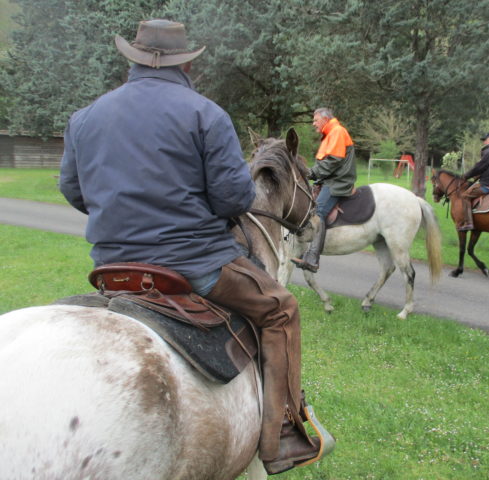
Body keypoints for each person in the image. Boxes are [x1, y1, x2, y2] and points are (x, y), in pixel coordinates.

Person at [58, 19, 331, 475]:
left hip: (111, 266)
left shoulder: (84, 118)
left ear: (133, 59)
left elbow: (73, 189)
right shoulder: (206, 115)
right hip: (192, 265)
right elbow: (234, 199)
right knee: (281, 309)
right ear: (186, 64)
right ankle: (284, 433)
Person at [291, 108, 356, 272]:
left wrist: (311, 173)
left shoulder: (337, 132)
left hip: (337, 182)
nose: (313, 124)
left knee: (317, 213)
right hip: (330, 179)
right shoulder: (330, 134)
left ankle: (312, 259)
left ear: (325, 120)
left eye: (315, 120)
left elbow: (333, 161)